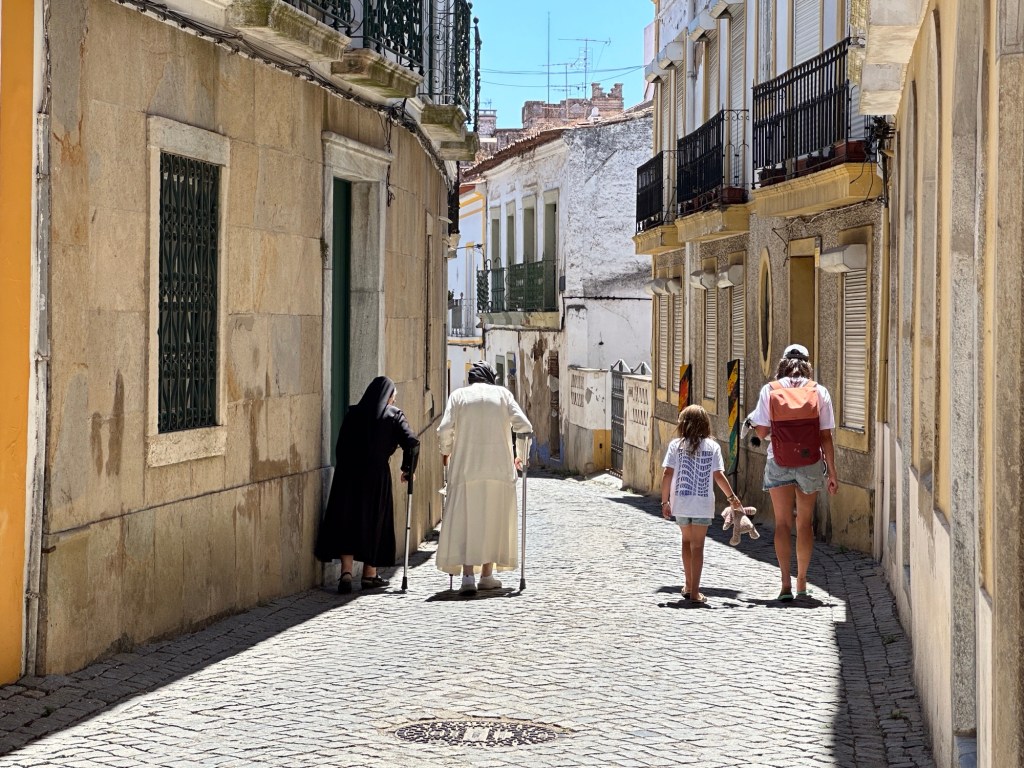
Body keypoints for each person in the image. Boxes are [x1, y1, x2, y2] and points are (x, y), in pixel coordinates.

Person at [749, 343, 839, 601]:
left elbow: (763, 432)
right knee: (804, 524)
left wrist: (758, 428)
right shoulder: (819, 392)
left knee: (782, 523)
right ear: (808, 365)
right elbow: (826, 436)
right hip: (810, 463)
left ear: (783, 363)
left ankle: (785, 584)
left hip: (778, 461)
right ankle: (802, 582)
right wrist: (832, 473)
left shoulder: (770, 390)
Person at [315, 376, 419, 593]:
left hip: (348, 475)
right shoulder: (393, 415)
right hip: (376, 476)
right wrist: (407, 469)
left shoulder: (353, 413)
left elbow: (341, 445)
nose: (392, 401)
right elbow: (412, 442)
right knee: (374, 520)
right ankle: (369, 574)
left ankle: (346, 573)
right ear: (388, 396)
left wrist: (345, 467)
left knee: (347, 520)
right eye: (393, 398)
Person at [436, 361, 533, 595]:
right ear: (491, 378)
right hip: (498, 469)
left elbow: (444, 429)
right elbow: (525, 426)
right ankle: (487, 575)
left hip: (466, 469)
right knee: (493, 520)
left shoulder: (458, 396)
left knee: (466, 520)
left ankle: (468, 576)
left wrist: (446, 451)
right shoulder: (503, 395)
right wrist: (521, 456)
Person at [661, 404, 744, 604]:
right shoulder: (712, 447)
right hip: (702, 504)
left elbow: (667, 474)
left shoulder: (676, 445)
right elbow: (718, 476)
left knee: (685, 542)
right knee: (698, 547)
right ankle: (695, 592)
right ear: (705, 424)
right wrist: (732, 498)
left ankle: (688, 585)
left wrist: (665, 501)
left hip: (680, 502)